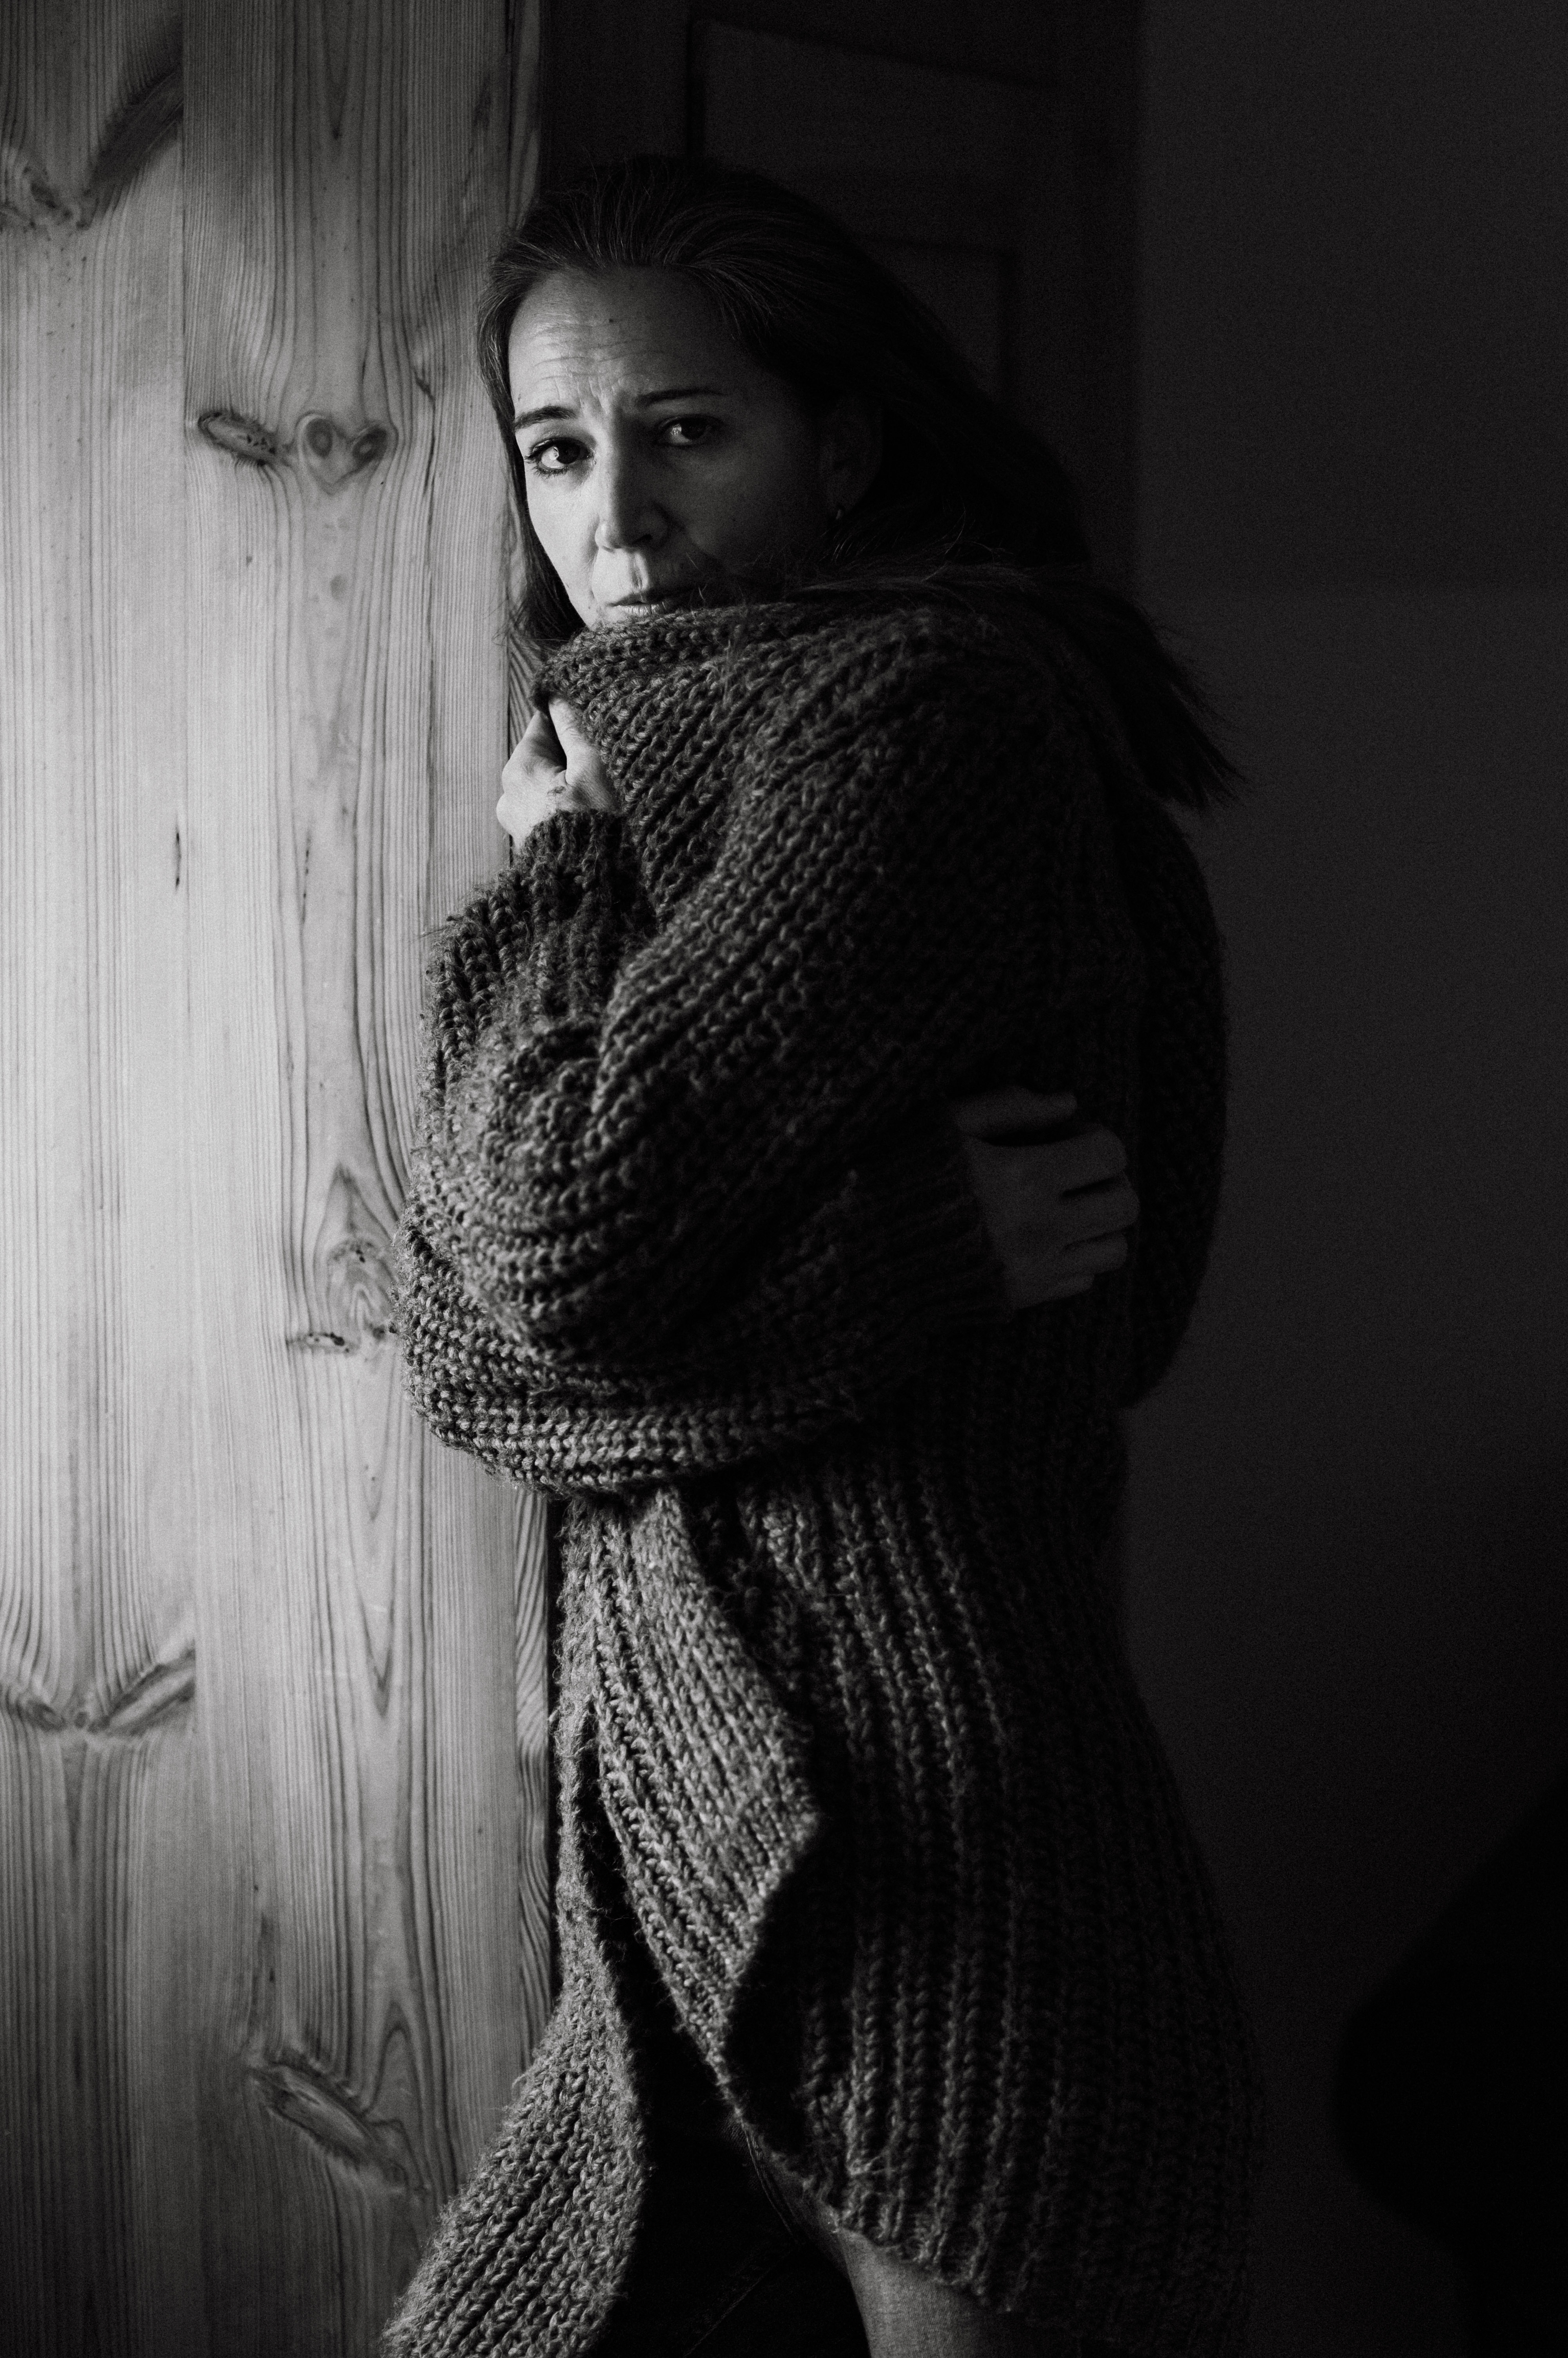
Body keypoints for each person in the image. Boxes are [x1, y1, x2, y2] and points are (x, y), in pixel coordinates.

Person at [386, 157, 1259, 2358]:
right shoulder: (681, 746)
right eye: (556, 451)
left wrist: (556, 873)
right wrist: (904, 1265)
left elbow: (546, 1248)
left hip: (929, 1850)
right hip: (697, 1854)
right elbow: (444, 1334)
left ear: (842, 443)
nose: (614, 520)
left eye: (688, 432)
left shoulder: (915, 719)